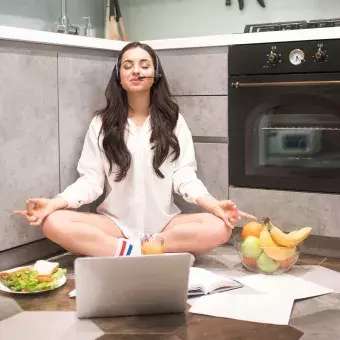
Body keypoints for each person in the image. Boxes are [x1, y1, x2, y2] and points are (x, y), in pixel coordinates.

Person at [14, 41, 256, 259]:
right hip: (114, 225)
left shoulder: (174, 121)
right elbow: (90, 181)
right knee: (53, 222)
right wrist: (55, 203)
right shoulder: (101, 124)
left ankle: (136, 248)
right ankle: (136, 252)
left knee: (220, 227)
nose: (136, 71)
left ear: (156, 75)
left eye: (144, 65)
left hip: (165, 226)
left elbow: (185, 176)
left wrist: (213, 204)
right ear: (119, 77)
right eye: (127, 66)